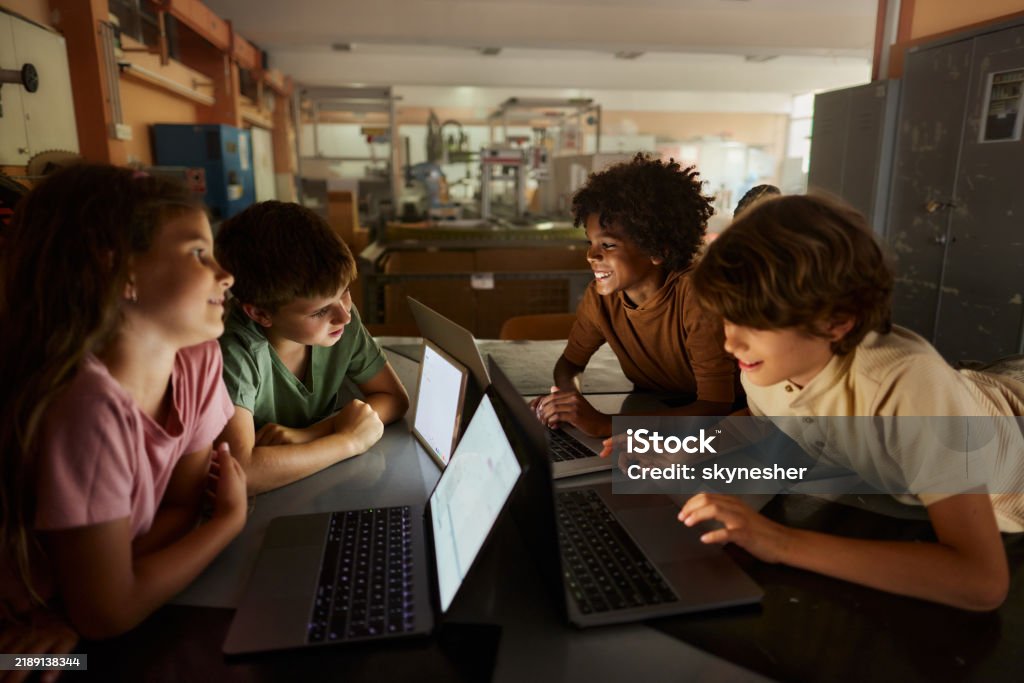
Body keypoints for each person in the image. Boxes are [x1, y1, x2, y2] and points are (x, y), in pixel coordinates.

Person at [679, 192, 1024, 610]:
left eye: (754, 322)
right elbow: (762, 418)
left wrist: (777, 541)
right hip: (978, 385)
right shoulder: (765, 367)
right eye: (729, 317)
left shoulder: (904, 388)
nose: (730, 342)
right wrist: (671, 446)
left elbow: (981, 581)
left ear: (837, 321)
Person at [0, 164, 248, 645]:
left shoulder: (198, 361)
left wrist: (92, 595)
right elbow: (109, 615)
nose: (226, 275)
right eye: (199, 253)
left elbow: (181, 503)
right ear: (117, 269)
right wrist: (227, 523)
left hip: (69, 616)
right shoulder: (85, 405)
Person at [532, 153, 741, 437]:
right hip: (654, 410)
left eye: (607, 245)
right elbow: (569, 365)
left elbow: (715, 406)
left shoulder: (696, 296)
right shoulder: (601, 297)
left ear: (658, 250)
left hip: (723, 432)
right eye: (591, 243)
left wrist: (608, 425)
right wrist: (570, 403)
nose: (591, 255)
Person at [214, 201, 409, 493]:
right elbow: (241, 472)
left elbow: (393, 398)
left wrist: (309, 435)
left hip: (313, 480)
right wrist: (348, 441)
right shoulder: (235, 349)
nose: (344, 315)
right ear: (260, 314)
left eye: (345, 293)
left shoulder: (340, 323)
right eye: (319, 311)